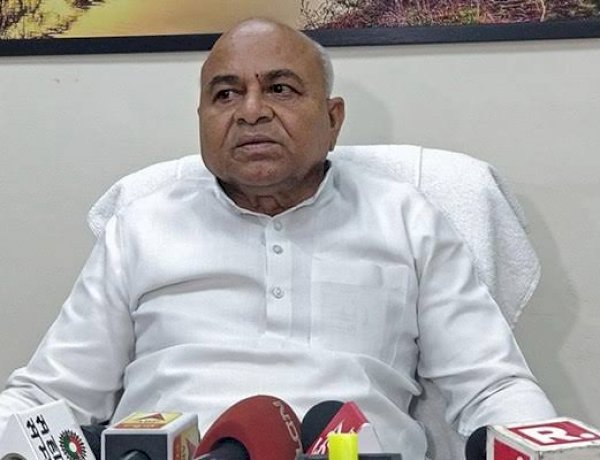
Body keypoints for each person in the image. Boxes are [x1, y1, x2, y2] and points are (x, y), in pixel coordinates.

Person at [0, 18, 555, 459]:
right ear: (201, 118)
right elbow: (51, 395)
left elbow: (492, 387)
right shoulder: (141, 226)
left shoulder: (408, 219)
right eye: (226, 94)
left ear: (333, 119)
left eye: (280, 89)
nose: (251, 112)